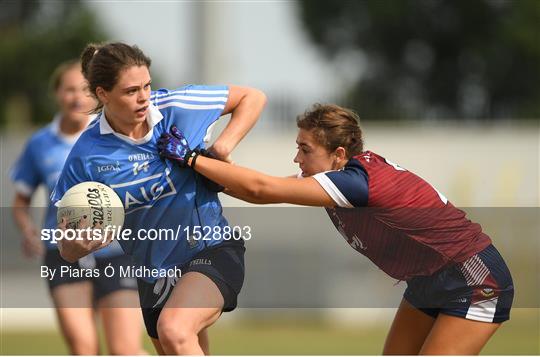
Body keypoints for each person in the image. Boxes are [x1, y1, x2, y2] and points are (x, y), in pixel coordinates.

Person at [158, 103, 514, 355]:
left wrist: (192, 158)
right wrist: (200, 171)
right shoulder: (343, 176)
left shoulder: (356, 183)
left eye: (304, 148)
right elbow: (263, 192)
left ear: (338, 154)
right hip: (427, 280)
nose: (297, 158)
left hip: (473, 278)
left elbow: (262, 189)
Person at [51, 42, 267, 355]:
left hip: (210, 249)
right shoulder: (87, 155)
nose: (144, 98)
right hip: (152, 274)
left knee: (174, 330)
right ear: (102, 94)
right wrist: (76, 245)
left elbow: (253, 97)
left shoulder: (178, 106)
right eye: (130, 91)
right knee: (177, 342)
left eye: (147, 86)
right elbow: (65, 247)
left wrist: (220, 151)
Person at [10, 60, 145, 355]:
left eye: (84, 90)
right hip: (63, 254)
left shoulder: (112, 136)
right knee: (83, 348)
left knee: (125, 350)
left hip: (116, 253)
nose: (76, 97)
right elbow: (20, 201)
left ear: (97, 94)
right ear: (57, 94)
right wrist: (28, 230)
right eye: (69, 89)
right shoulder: (40, 143)